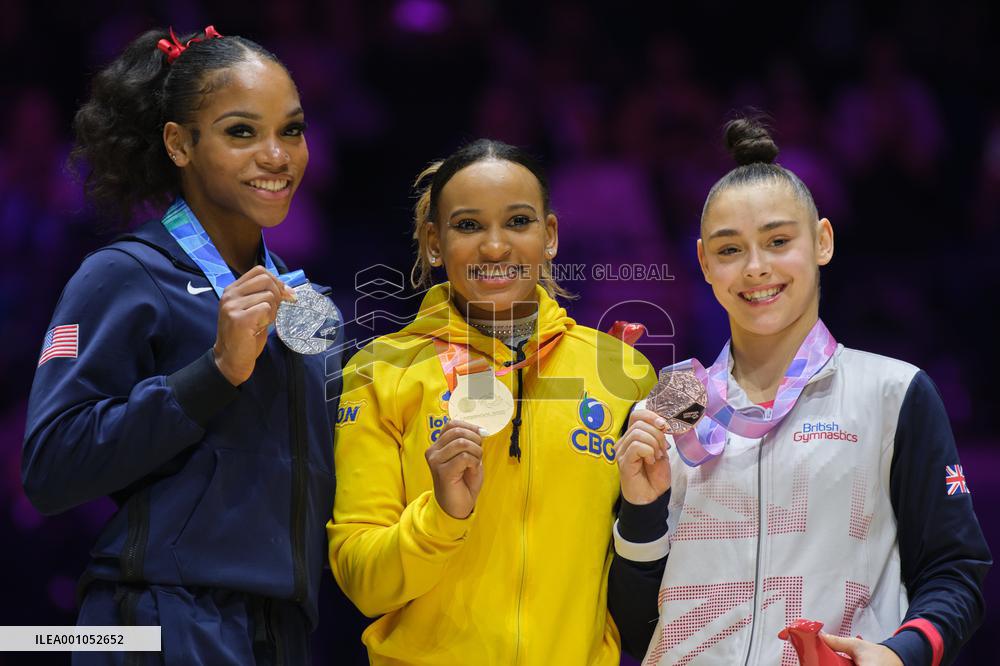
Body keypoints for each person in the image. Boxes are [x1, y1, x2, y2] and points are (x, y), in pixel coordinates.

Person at [608, 117, 991, 665]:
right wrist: (641, 513)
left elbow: (956, 573)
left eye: (779, 241)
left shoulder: (892, 393)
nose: (756, 268)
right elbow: (635, 626)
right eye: (730, 249)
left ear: (823, 242)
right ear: (704, 263)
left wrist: (901, 654)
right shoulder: (666, 406)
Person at [22, 26, 343, 665]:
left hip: (280, 634)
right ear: (180, 143)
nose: (278, 156)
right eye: (242, 132)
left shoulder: (310, 308)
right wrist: (216, 371)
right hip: (153, 624)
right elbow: (49, 468)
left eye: (293, 130)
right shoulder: (123, 274)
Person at [328, 139, 656, 665]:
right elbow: (362, 581)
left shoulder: (622, 371)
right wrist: (441, 516)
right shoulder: (380, 370)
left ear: (549, 236)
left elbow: (641, 567)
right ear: (434, 243)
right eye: (468, 226)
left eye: (519, 221)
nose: (496, 247)